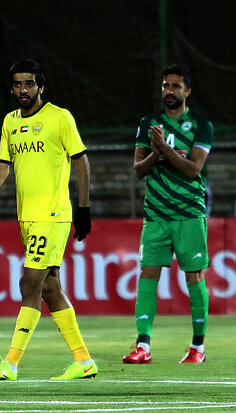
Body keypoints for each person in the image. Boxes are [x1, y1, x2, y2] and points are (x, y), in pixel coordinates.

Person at [0, 59, 97, 380]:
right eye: (17, 84)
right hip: (27, 217)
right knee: (51, 289)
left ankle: (10, 363)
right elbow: (1, 168)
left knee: (29, 284)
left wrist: (84, 208)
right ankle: (83, 361)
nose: (22, 90)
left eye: (29, 83)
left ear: (41, 86)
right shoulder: (10, 122)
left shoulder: (59, 118)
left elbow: (81, 161)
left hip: (52, 215)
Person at [123, 65, 213, 364]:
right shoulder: (149, 123)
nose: (169, 91)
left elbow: (193, 170)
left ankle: (197, 347)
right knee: (148, 274)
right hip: (156, 214)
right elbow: (138, 171)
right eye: (165, 86)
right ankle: (143, 346)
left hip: (189, 212)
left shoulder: (201, 125)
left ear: (188, 91)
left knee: (194, 276)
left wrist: (164, 149)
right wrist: (153, 154)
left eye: (176, 86)